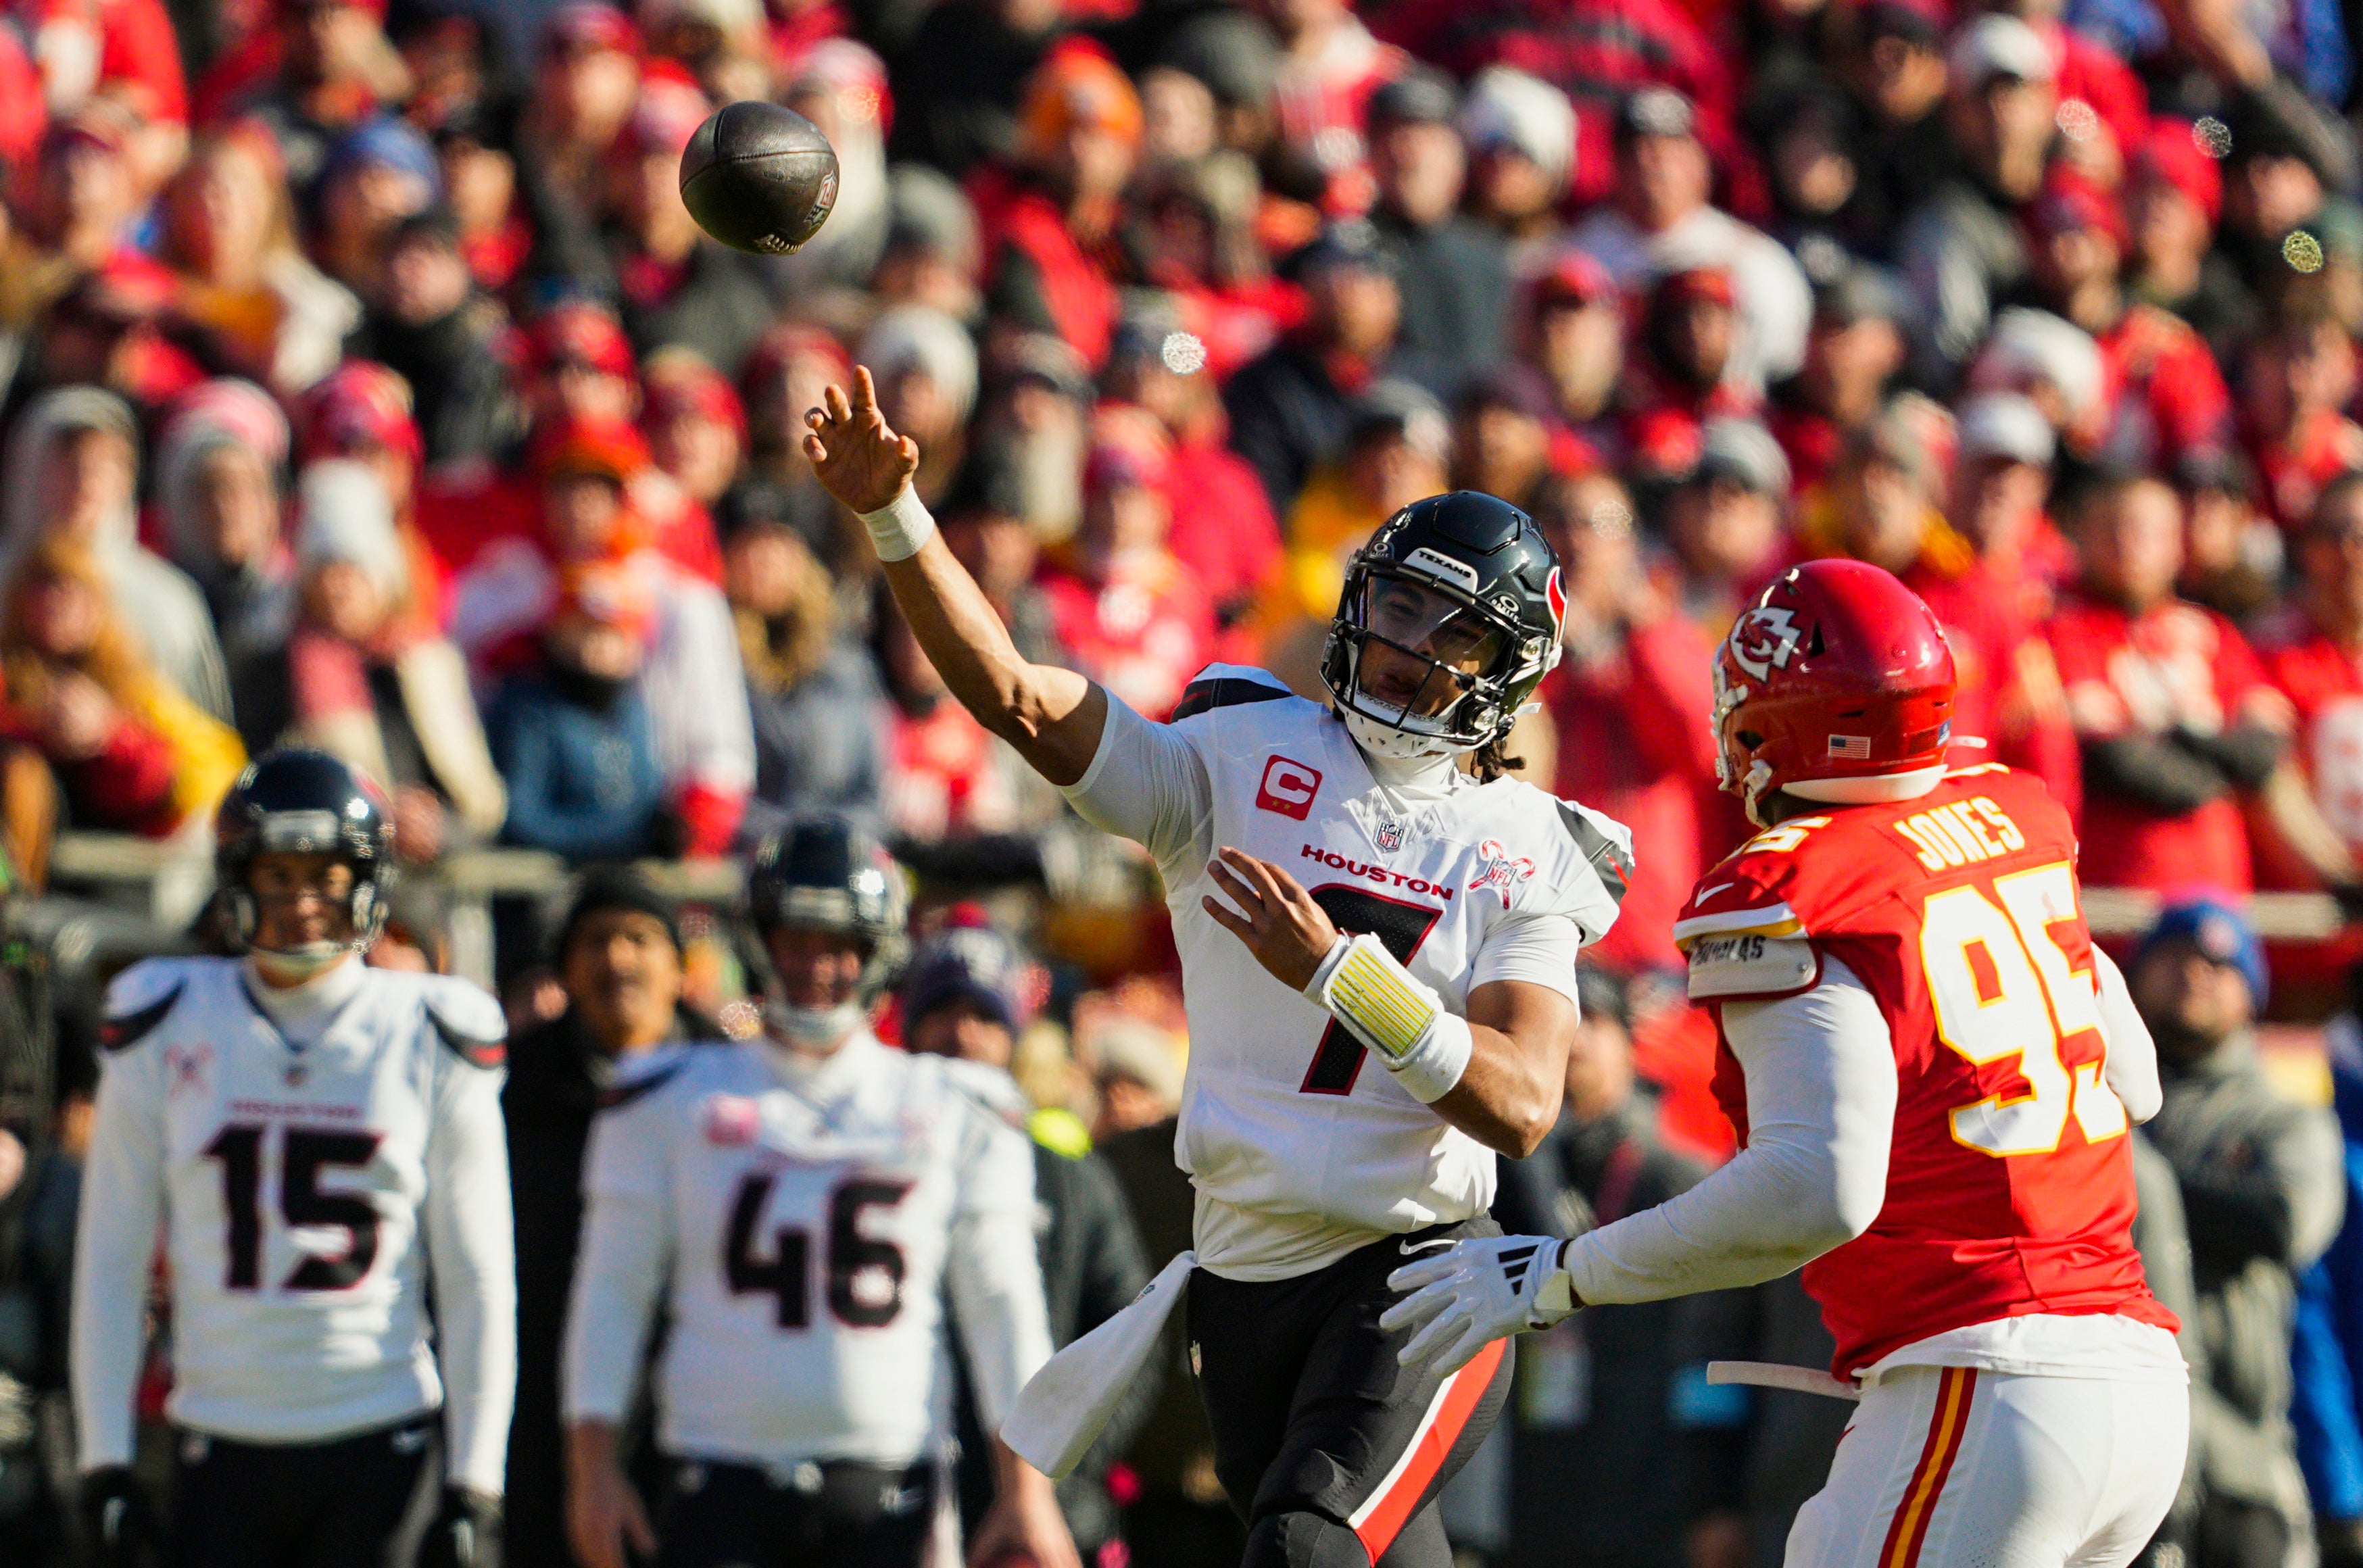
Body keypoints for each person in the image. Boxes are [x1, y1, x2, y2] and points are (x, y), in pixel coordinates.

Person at [804, 368, 1629, 1567]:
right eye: (1397, 609)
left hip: (1418, 1275)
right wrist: (893, 520)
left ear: (1510, 668)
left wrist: (1341, 974)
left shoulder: (1522, 844)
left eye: (1455, 633)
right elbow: (1024, 704)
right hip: (1243, 1264)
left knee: (1302, 1549)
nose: (1409, 648)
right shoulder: (1241, 752)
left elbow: (1520, 1101)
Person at [1386, 560, 2189, 1568]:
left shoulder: (1790, 886)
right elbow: (2136, 1082)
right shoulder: (2009, 818)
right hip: (2134, 1381)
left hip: (1984, 1378)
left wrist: (1563, 1275)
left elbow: (1818, 1192)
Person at [561, 814, 1076, 1568]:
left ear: (879, 953)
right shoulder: (667, 1095)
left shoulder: (958, 1103)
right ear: (758, 938)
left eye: (840, 945)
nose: (816, 965)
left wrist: (1027, 1490)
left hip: (888, 1484)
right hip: (718, 1473)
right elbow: (611, 1292)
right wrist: (593, 1469)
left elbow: (1003, 1307)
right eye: (797, 938)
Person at [70, 748, 512, 1567]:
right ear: (237, 877)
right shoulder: (165, 1013)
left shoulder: (435, 1026)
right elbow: (111, 1259)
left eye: (328, 874)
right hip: (220, 1437)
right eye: (279, 873)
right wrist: (106, 1461)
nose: (305, 900)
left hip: (380, 1435)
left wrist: (476, 1480)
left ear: (368, 881)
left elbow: (476, 1270)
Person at [901, 921, 1155, 1565]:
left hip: (1051, 1517)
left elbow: (1134, 1340)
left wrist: (1054, 1462)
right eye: (941, 1011)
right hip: (894, 1499)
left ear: (1012, 1035)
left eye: (982, 1015)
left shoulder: (1069, 1179)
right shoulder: (861, 1170)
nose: (960, 1034)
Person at [505, 869, 720, 1568]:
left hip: (699, 1417)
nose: (618, 960)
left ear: (679, 969)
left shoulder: (731, 1089)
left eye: (639, 938)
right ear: (565, 968)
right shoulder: (514, 1091)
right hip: (543, 1413)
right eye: (596, 940)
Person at [2134, 900, 2344, 1565]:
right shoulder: (2098, 1098)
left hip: (2239, 1453)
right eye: (2173, 956)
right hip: (2117, 1440)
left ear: (2251, 992)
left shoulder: (2283, 1117)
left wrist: (2138, 1176)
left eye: (2220, 964)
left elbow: (2282, 1224)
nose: (2194, 974)